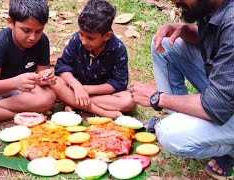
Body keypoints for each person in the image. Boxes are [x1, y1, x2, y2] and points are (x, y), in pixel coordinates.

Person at [129, 0, 234, 179]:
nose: (174, 1)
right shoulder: (213, 7)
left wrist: (157, 98)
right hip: (225, 91)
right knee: (166, 46)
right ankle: (184, 120)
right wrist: (188, 32)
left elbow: (217, 104)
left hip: (222, 102)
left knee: (170, 134)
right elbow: (218, 44)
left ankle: (230, 149)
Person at [0, 0, 56, 123]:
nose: (32, 37)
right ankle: (18, 113)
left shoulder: (42, 41)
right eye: (26, 30)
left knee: (47, 98)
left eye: (38, 31)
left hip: (23, 89)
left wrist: (45, 77)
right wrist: (16, 82)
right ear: (11, 22)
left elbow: (41, 76)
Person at [49, 0, 136, 119]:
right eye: (81, 34)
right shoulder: (77, 40)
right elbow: (62, 67)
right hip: (74, 87)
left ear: (107, 36)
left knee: (130, 101)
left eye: (90, 38)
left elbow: (118, 83)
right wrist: (77, 86)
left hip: (100, 92)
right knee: (55, 82)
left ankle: (74, 102)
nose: (84, 41)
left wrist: (86, 90)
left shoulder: (118, 49)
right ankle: (103, 112)